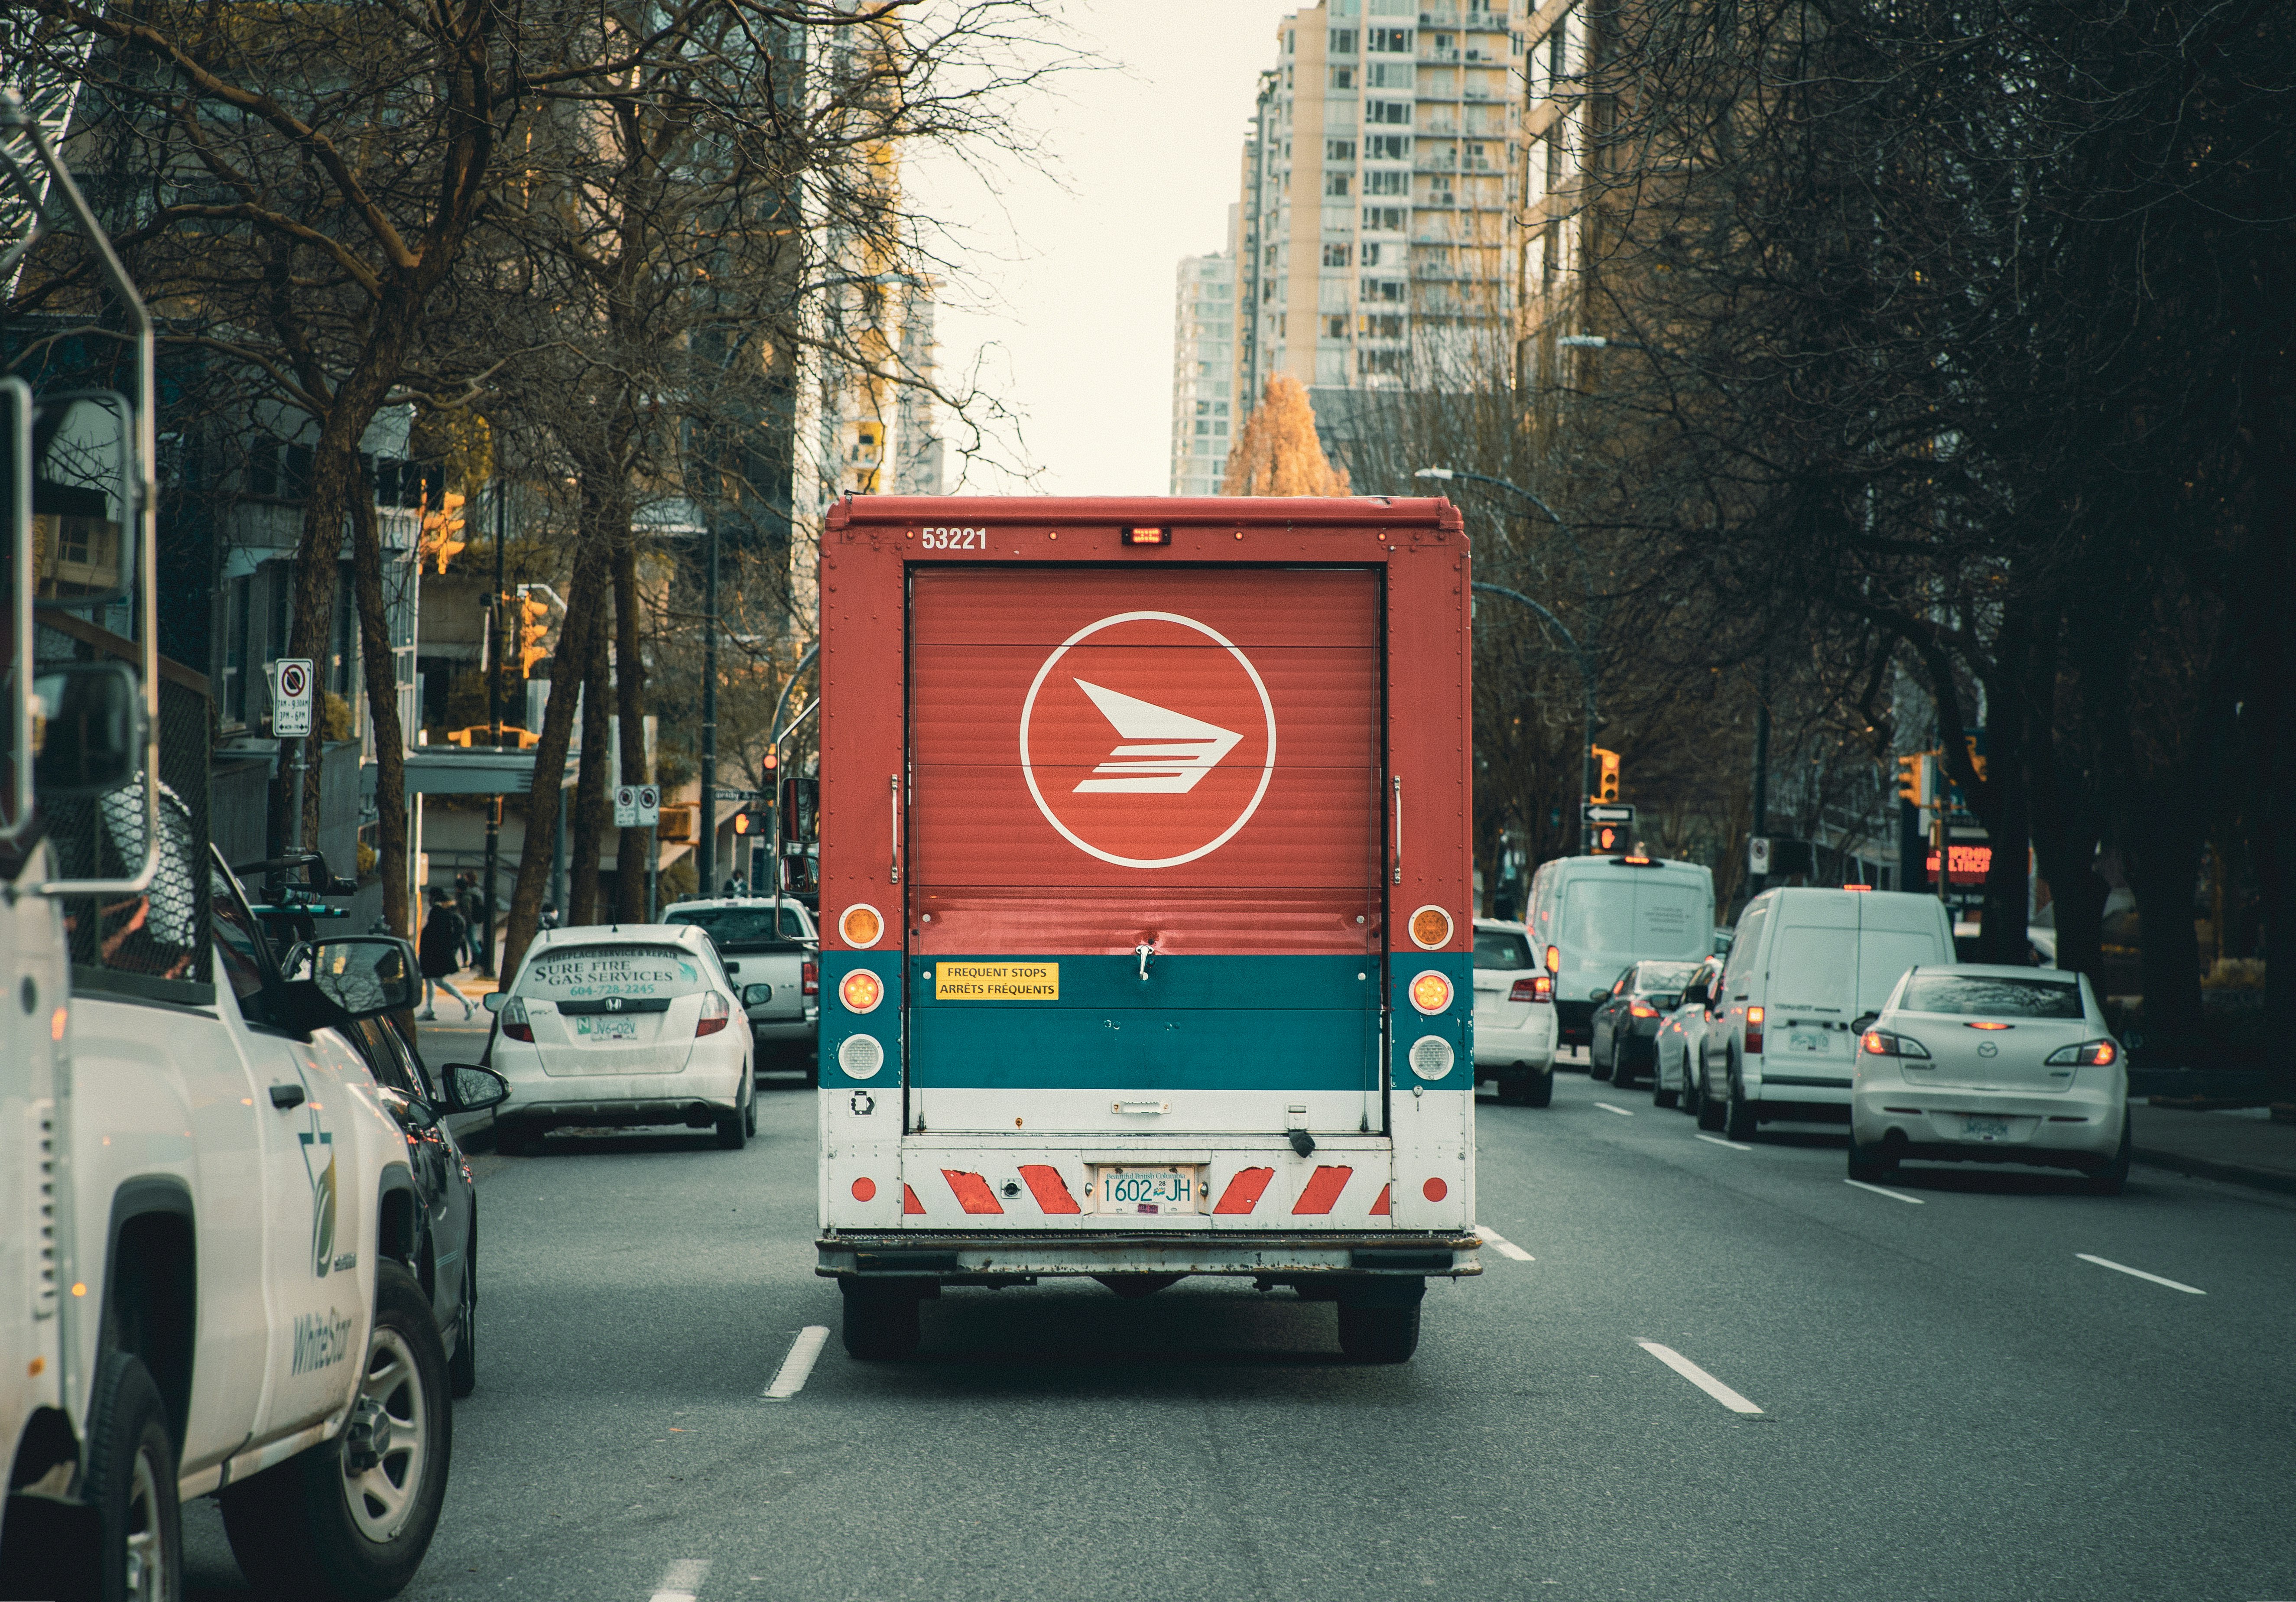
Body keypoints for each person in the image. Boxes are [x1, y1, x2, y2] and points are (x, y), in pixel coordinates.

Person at [418, 887, 474, 1020]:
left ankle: (467, 1003)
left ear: (434, 897)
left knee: (438, 981)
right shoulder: (446, 912)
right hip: (436, 954)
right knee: (430, 980)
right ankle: (430, 1010)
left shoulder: (437, 912)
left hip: (434, 955)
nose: (429, 900)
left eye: (430, 897)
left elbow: (435, 935)